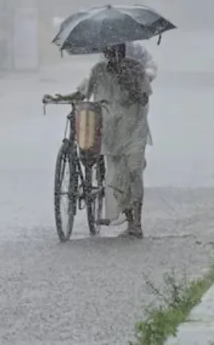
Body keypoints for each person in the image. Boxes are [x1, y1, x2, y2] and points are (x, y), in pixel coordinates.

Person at [49, 43, 152, 238]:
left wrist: (130, 85)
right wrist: (61, 97)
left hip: (134, 128)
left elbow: (144, 98)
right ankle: (129, 218)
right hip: (111, 132)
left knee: (133, 171)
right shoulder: (98, 70)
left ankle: (137, 222)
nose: (114, 56)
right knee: (115, 178)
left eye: (118, 51)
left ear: (123, 51)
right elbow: (82, 92)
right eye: (110, 52)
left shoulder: (136, 68)